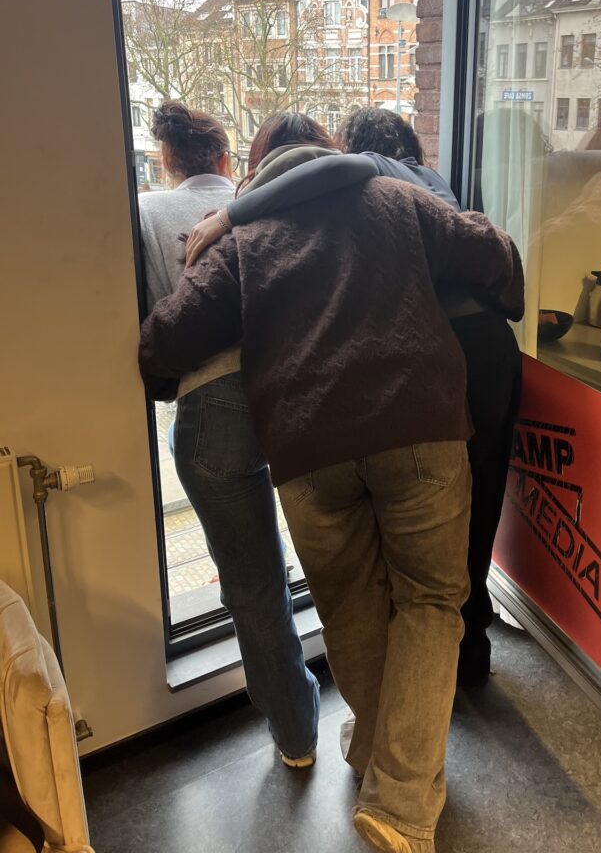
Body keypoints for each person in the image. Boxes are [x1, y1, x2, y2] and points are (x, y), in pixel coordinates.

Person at [139, 158, 524, 853]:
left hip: (307, 448)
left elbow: (167, 336)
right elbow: (488, 248)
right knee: (430, 600)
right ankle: (402, 804)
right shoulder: (397, 199)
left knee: (349, 604)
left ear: (258, 184)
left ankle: (373, 750)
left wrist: (163, 378)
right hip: (419, 424)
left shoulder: (244, 237)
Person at [184, 107, 523, 686]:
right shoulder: (429, 179)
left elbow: (325, 175)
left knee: (399, 564)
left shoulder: (368, 171)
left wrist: (233, 213)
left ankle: (413, 690)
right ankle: (469, 657)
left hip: (433, 358)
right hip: (490, 345)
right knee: (474, 510)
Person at [138, 100, 320, 769]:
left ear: (167, 161)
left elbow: (153, 321)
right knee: (340, 554)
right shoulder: (264, 200)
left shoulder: (146, 213)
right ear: (226, 158)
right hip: (297, 388)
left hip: (211, 402)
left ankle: (296, 736)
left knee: (251, 581)